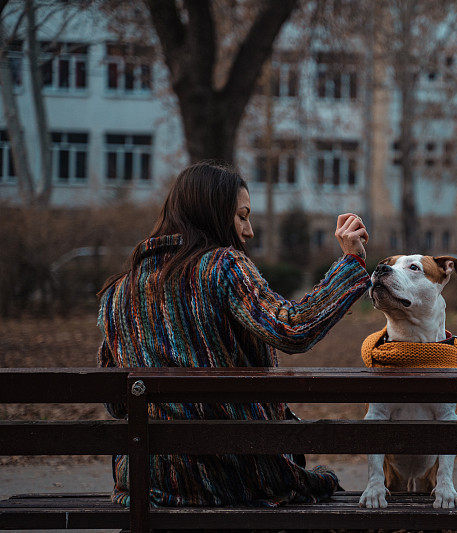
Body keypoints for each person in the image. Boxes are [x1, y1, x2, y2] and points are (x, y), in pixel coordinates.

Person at [96, 160, 371, 507]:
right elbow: (293, 328)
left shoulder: (117, 293)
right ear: (212, 214)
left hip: (146, 480)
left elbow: (117, 402)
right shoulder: (222, 266)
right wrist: (350, 263)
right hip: (231, 475)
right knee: (320, 480)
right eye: (241, 216)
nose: (249, 230)